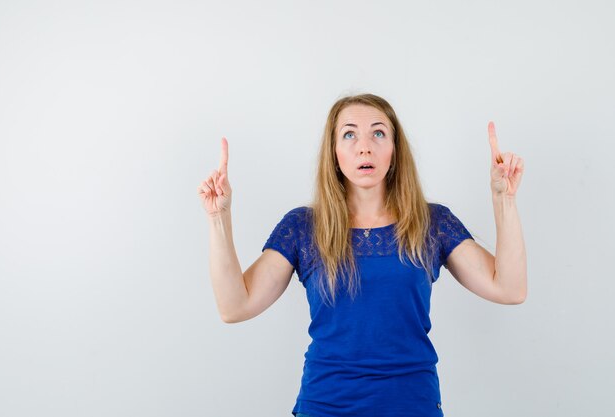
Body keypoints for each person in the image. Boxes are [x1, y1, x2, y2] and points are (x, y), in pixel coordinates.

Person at [198, 93, 527, 417]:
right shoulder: (303, 227)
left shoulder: (432, 223)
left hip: (412, 406)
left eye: (379, 133)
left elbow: (509, 289)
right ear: (335, 152)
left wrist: (504, 199)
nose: (365, 146)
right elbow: (234, 306)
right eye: (350, 133)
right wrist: (218, 218)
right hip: (326, 406)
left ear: (394, 150)